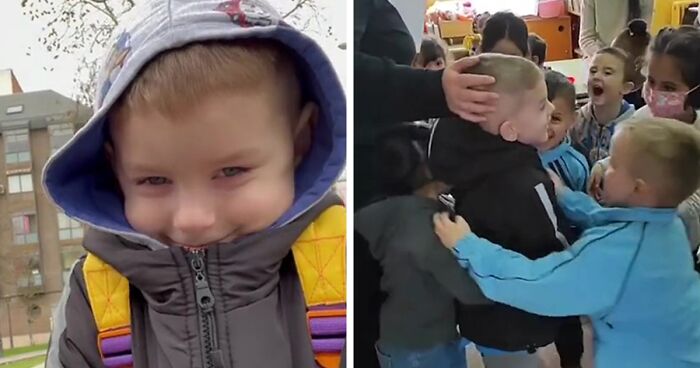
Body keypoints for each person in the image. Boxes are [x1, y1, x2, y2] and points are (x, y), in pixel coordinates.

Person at [43, 1, 346, 367]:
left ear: (300, 143)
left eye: (231, 172)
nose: (193, 219)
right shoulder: (94, 294)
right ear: (116, 169)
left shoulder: (343, 261)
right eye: (154, 180)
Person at [434, 117, 700, 368]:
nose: (606, 168)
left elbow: (537, 284)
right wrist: (565, 196)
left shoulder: (615, 255)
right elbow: (606, 219)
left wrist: (468, 246)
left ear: (638, 188)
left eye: (615, 165)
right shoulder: (670, 225)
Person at [428, 53, 582, 368]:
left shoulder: (463, 166)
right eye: (541, 105)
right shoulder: (527, 184)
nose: (551, 108)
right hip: (520, 317)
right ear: (510, 131)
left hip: (480, 316)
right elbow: (552, 253)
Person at [355, 122, 490, 368]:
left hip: (392, 338)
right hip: (424, 346)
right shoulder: (432, 230)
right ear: (429, 170)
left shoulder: (373, 213)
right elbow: (470, 292)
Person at [591, 26, 700, 256]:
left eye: (669, 87)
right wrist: (604, 166)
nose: (654, 92)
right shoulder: (642, 117)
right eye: (651, 82)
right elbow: (631, 156)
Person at [571, 47, 637, 165]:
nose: (596, 76)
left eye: (607, 73)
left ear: (625, 88)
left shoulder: (634, 127)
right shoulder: (576, 121)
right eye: (593, 71)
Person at [539, 70, 590, 192]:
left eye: (555, 118)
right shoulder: (511, 150)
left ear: (572, 120)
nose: (544, 124)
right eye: (537, 114)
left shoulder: (576, 166)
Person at [579, 0, 653, 58]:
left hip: (636, 60)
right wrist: (606, 58)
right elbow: (586, 38)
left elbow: (647, 36)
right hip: (602, 58)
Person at [611, 19, 652, 109]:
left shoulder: (648, 39)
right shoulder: (622, 39)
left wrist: (644, 61)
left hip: (641, 84)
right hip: (623, 83)